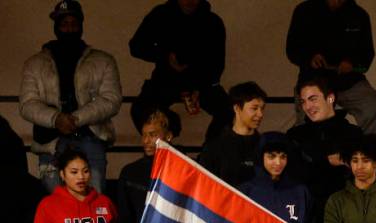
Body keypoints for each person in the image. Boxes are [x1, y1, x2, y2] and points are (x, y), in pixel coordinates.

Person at [19, 0, 121, 193]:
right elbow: (27, 104)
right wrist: (55, 119)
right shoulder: (34, 64)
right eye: (64, 24)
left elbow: (111, 99)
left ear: (82, 26)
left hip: (91, 138)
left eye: (74, 23)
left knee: (93, 202)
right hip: (50, 142)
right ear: (56, 27)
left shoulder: (103, 61)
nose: (69, 28)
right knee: (55, 205)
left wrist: (76, 119)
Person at [129, 0, 232, 142]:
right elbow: (136, 46)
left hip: (202, 80)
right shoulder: (161, 15)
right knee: (140, 109)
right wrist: (166, 56)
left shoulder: (212, 22)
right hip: (166, 79)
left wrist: (200, 87)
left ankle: (209, 154)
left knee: (230, 113)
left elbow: (217, 63)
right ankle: (165, 148)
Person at [286, 0, 376, 135]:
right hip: (312, 80)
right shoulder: (304, 11)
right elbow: (292, 49)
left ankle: (364, 152)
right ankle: (307, 152)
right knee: (306, 124)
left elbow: (367, 55)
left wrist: (351, 64)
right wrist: (310, 58)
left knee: (375, 108)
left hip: (349, 82)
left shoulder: (359, 15)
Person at [286, 71, 362, 223]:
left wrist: (314, 162)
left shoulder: (353, 134)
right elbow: (293, 174)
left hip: (343, 220)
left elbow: (357, 175)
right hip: (305, 219)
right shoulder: (295, 136)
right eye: (303, 101)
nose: (308, 106)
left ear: (330, 98)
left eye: (313, 99)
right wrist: (327, 161)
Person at [117, 108, 180, 223]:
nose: (146, 141)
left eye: (152, 135)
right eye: (143, 135)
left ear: (168, 136)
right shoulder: (130, 173)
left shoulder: (185, 170)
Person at [240, 132, 315, 223]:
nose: (278, 162)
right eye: (272, 156)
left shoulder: (301, 192)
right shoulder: (246, 192)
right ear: (261, 157)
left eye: (283, 156)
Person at [197, 81, 265, 187]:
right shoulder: (214, 147)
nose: (260, 114)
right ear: (237, 108)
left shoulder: (265, 146)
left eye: (262, 108)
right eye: (254, 108)